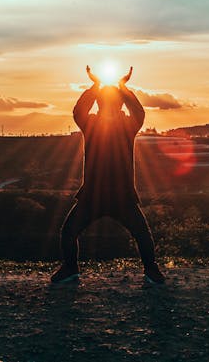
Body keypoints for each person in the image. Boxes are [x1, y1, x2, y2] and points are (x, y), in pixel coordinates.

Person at [50, 65, 165, 285]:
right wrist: (122, 87)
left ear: (99, 104)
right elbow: (139, 113)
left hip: (99, 196)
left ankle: (70, 269)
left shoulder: (95, 124)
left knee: (69, 232)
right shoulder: (125, 125)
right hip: (113, 196)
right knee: (141, 234)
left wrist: (96, 86)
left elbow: (78, 112)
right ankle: (152, 271)